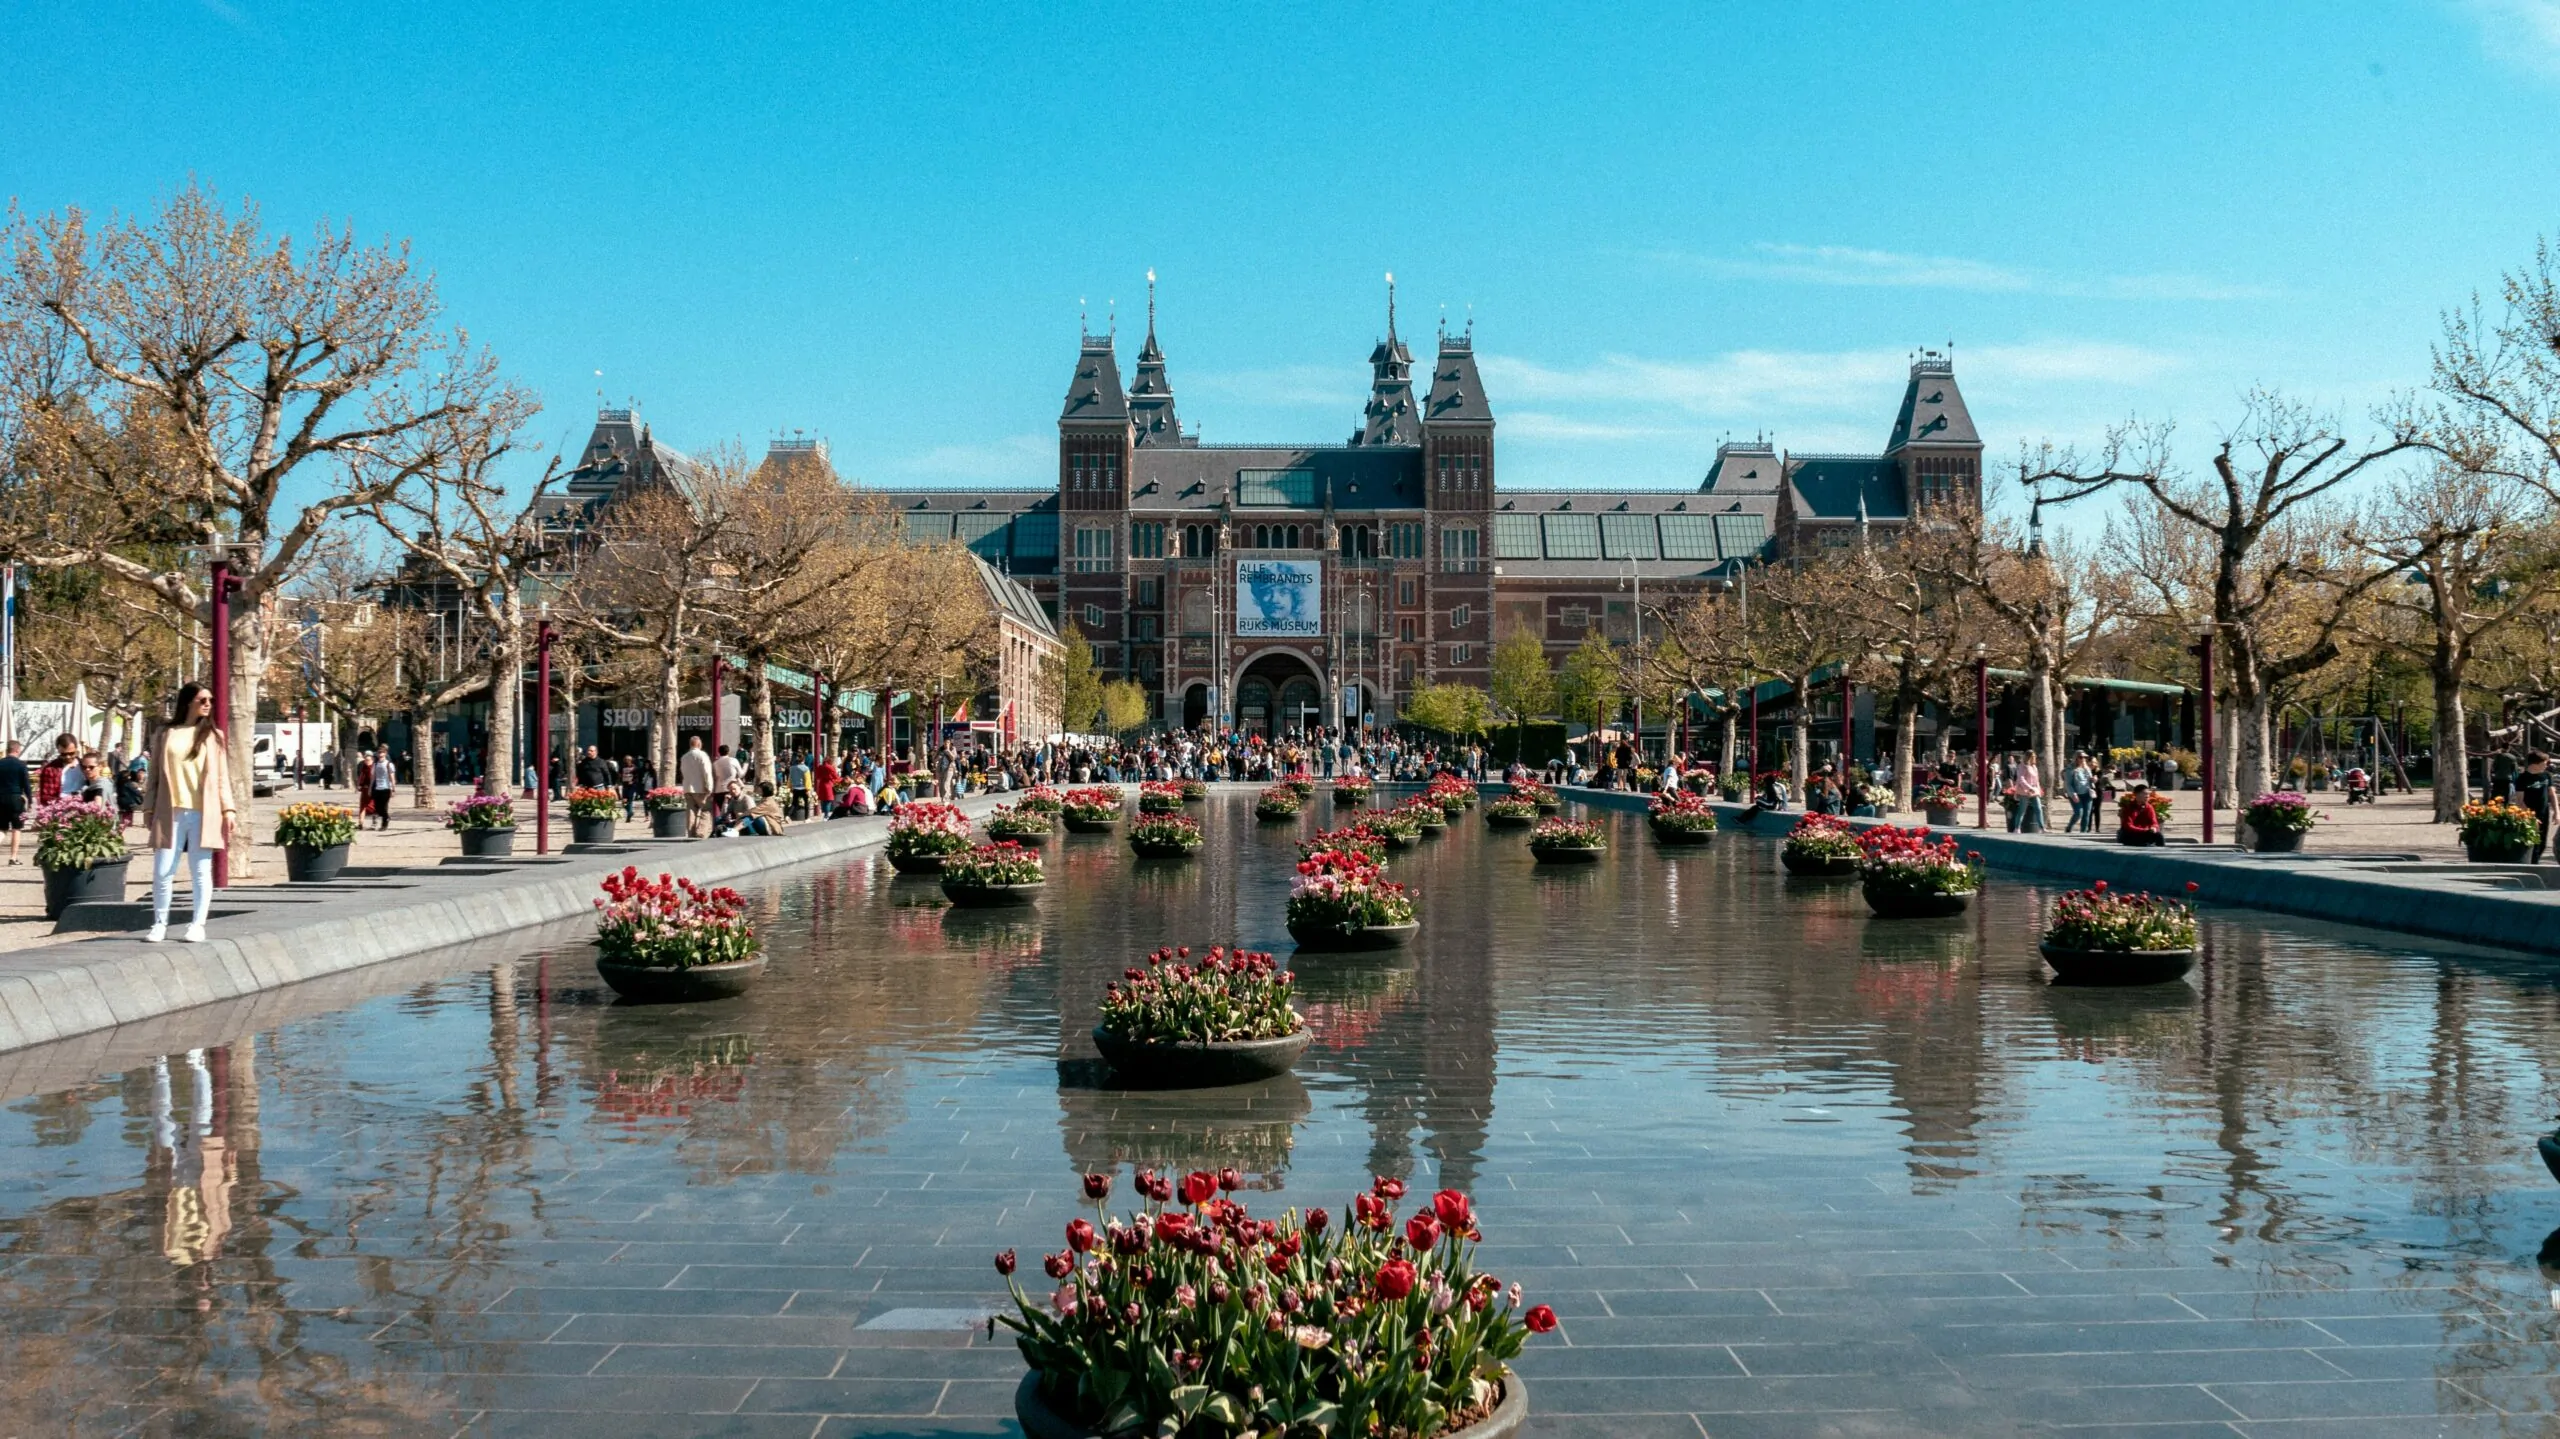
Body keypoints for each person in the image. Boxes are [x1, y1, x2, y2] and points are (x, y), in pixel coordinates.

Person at [144, 681, 239, 944]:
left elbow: (222, 778)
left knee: (200, 871)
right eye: (202, 700)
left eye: (210, 700)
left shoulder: (213, 736)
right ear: (188, 702)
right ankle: (159, 923)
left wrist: (228, 809)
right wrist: (148, 806)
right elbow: (153, 776)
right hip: (170, 810)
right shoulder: (165, 733)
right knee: (163, 871)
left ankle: (198, 924)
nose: (208, 704)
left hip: (203, 812)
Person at [2516, 750, 2554, 864]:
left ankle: (2535, 862)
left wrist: (2557, 812)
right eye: (2545, 763)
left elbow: (2552, 794)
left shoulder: (2546, 776)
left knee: (2542, 843)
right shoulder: (2522, 778)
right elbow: (2519, 800)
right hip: (2529, 813)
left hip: (2544, 812)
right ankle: (2531, 864)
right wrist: (2531, 817)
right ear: (2536, 764)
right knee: (2532, 842)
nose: (2546, 765)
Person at [680, 735, 715, 837]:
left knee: (691, 811)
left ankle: (691, 833)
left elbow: (683, 771)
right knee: (706, 810)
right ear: (699, 744)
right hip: (701, 788)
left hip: (688, 787)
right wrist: (709, 787)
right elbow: (707, 772)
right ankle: (701, 832)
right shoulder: (702, 755)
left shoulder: (684, 757)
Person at [0, 740, 28, 864]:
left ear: (7, 750)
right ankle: (13, 857)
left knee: (2, 829)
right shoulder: (21, 765)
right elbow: (26, 784)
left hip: (1, 798)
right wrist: (30, 800)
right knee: (16, 828)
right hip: (16, 798)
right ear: (18, 750)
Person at [366, 747, 397, 829]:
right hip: (377, 788)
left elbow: (392, 777)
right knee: (377, 807)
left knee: (384, 806)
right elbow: (373, 777)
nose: (380, 754)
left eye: (382, 753)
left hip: (386, 788)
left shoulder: (389, 764)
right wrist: (370, 788)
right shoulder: (375, 765)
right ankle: (387, 817)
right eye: (379, 752)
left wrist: (393, 788)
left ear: (385, 753)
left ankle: (384, 823)